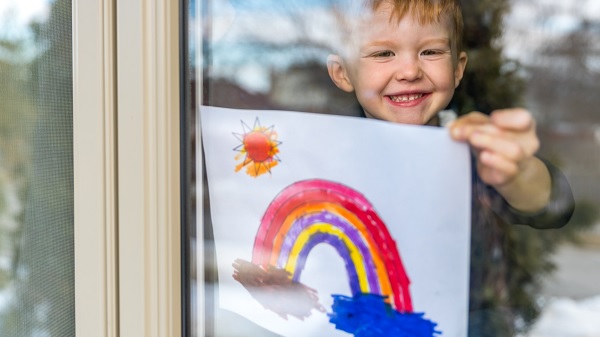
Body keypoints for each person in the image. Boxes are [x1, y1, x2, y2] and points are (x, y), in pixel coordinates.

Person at [325, 0, 574, 334]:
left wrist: (517, 173)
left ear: (458, 69)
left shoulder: (470, 147)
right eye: (383, 54)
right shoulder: (326, 157)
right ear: (343, 73)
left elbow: (553, 206)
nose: (410, 71)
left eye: (430, 52)